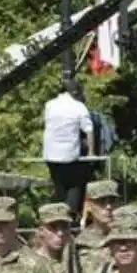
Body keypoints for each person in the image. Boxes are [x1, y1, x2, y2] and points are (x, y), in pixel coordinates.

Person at [43, 79, 95, 215]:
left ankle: (57, 216)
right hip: (69, 154)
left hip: (51, 154)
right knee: (75, 186)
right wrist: (91, 152)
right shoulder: (78, 107)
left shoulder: (49, 105)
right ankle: (68, 217)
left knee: (59, 187)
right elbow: (88, 129)